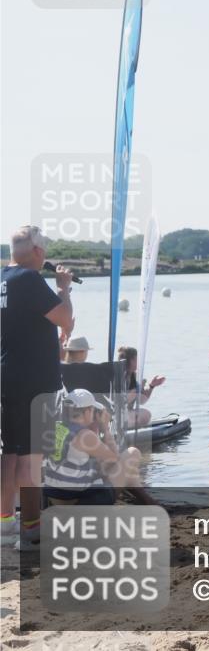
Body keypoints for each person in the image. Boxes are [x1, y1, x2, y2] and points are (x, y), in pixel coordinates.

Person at [1, 225, 75, 550]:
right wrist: (64, 289)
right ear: (38, 253)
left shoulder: (3, 278)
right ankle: (31, 527)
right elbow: (65, 319)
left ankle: (5, 525)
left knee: (9, 453)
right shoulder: (31, 279)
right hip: (35, 378)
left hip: (8, 373)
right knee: (32, 456)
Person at [42, 389, 143, 506]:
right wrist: (105, 428)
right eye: (93, 410)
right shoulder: (84, 435)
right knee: (132, 453)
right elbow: (114, 459)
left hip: (57, 500)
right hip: (79, 503)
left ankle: (147, 500)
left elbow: (98, 464)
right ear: (87, 411)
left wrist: (94, 429)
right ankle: (148, 501)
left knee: (120, 471)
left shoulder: (57, 428)